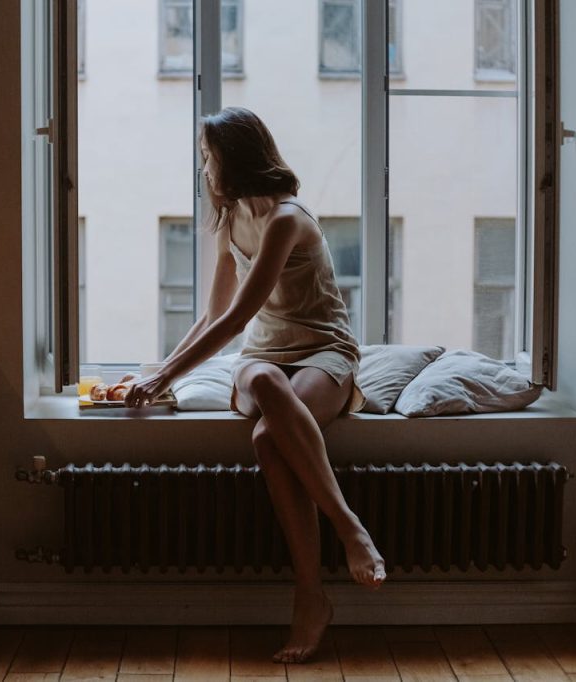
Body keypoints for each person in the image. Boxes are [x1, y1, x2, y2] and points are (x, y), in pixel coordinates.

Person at [124, 106, 386, 663]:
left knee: (269, 440)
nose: (203, 170)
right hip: (264, 360)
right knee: (264, 376)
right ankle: (346, 533)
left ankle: (314, 589)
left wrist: (168, 375)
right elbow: (212, 316)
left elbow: (237, 317)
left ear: (234, 161)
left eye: (208, 159)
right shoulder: (227, 221)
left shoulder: (289, 219)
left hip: (325, 354)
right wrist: (157, 373)